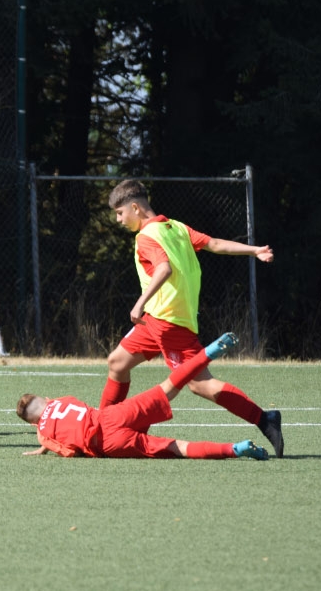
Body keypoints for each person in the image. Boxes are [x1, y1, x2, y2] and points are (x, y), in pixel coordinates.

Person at [102, 179, 284, 457]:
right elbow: (215, 244)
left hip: (169, 324)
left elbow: (163, 269)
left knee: (200, 384)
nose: (118, 219)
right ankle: (103, 427)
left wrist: (139, 302)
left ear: (135, 208)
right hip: (155, 321)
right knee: (117, 362)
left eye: (119, 213)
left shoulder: (146, 237)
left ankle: (264, 418)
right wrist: (254, 250)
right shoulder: (176, 227)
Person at [17, 332, 269, 460]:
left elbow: (69, 450)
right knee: (169, 386)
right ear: (47, 399)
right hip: (111, 415)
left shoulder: (42, 431)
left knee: (177, 447)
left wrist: (44, 444)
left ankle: (234, 449)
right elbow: (61, 416)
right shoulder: (62, 400)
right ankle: (208, 352)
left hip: (109, 443)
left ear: (32, 423)